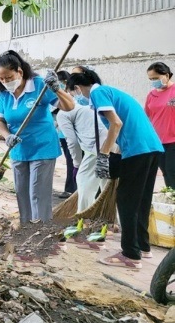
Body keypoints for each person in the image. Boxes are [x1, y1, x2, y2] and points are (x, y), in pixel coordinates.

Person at [68, 69, 163, 269]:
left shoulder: (97, 93)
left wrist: (103, 155)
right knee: (141, 200)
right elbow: (124, 126)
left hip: (137, 149)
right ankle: (143, 248)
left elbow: (116, 123)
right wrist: (115, 154)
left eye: (74, 93)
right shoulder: (111, 92)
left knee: (126, 200)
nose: (77, 97)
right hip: (152, 146)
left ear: (77, 88)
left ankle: (130, 254)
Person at [0, 51, 74, 225]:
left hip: (42, 147)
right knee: (22, 193)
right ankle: (26, 229)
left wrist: (56, 88)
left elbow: (69, 106)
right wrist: (7, 136)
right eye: (2, 79)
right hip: (18, 149)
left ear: (20, 72)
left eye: (9, 77)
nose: (6, 82)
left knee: (37, 193)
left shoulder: (38, 86)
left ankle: (41, 231)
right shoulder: (4, 94)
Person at [57, 81, 108, 212]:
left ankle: (84, 217)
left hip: (95, 148)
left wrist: (77, 165)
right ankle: (112, 220)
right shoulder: (85, 108)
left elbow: (72, 142)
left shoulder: (63, 114)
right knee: (106, 183)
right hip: (110, 145)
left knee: (83, 179)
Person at [144, 62, 175, 189]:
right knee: (166, 173)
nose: (153, 81)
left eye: (156, 78)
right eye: (151, 79)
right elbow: (146, 117)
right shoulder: (151, 95)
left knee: (172, 170)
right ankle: (171, 201)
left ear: (166, 75)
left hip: (173, 140)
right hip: (158, 142)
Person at [56, 70, 77, 198]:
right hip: (62, 135)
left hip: (72, 135)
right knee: (70, 161)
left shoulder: (72, 96)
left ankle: (71, 189)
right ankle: (71, 188)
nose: (60, 84)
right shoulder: (57, 95)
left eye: (62, 82)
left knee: (74, 162)